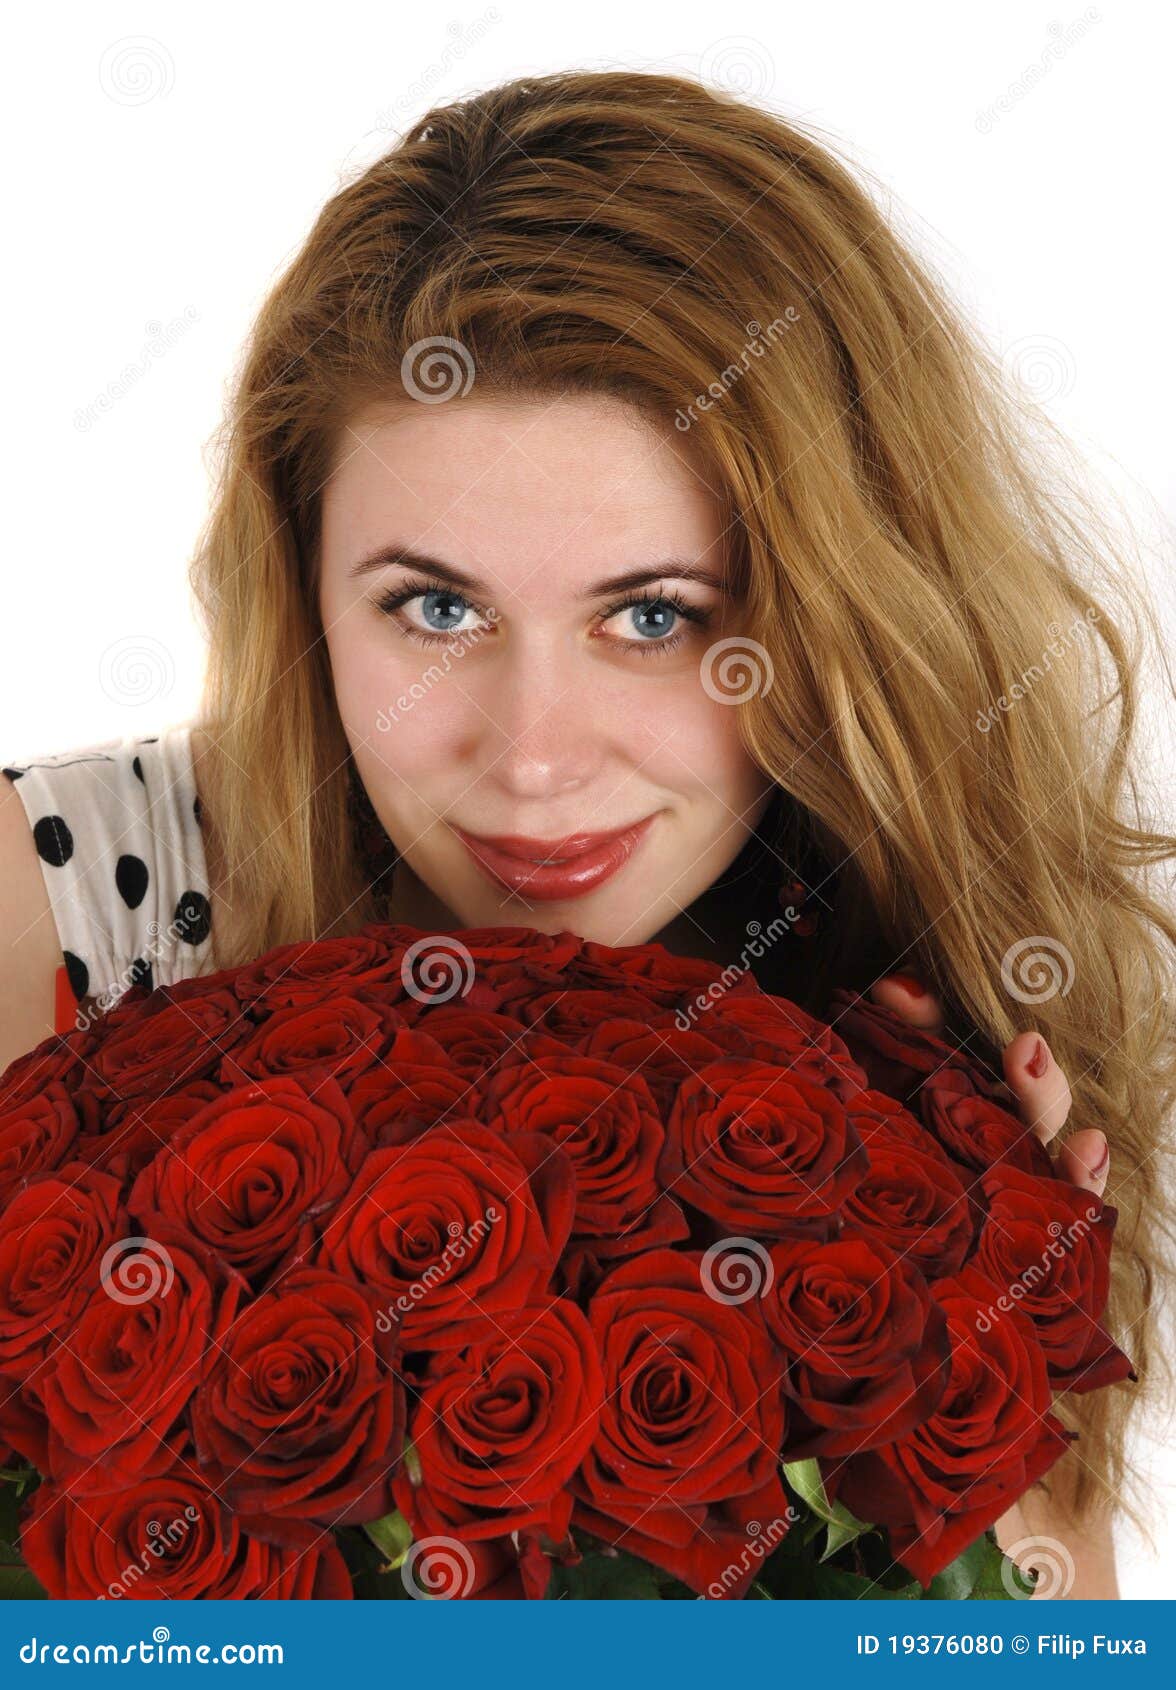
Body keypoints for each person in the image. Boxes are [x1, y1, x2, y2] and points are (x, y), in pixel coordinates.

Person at [2, 67, 1173, 1599]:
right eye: (436, 609)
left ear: (846, 624)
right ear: (301, 585)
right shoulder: (49, 912)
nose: (535, 761)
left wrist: (962, 1407)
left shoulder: (923, 1046)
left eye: (656, 616)